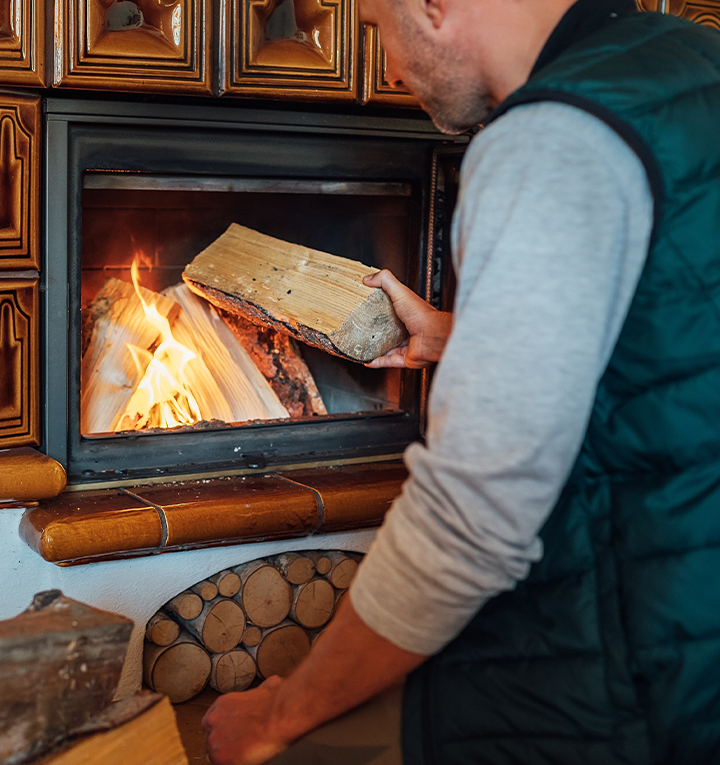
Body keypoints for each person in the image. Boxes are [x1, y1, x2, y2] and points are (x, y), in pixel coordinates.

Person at [203, 0, 720, 762]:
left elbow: (472, 517)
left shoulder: (551, 136)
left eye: (378, 25)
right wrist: (460, 338)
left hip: (619, 677)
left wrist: (283, 714)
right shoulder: (691, 66)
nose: (383, 65)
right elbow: (676, 331)